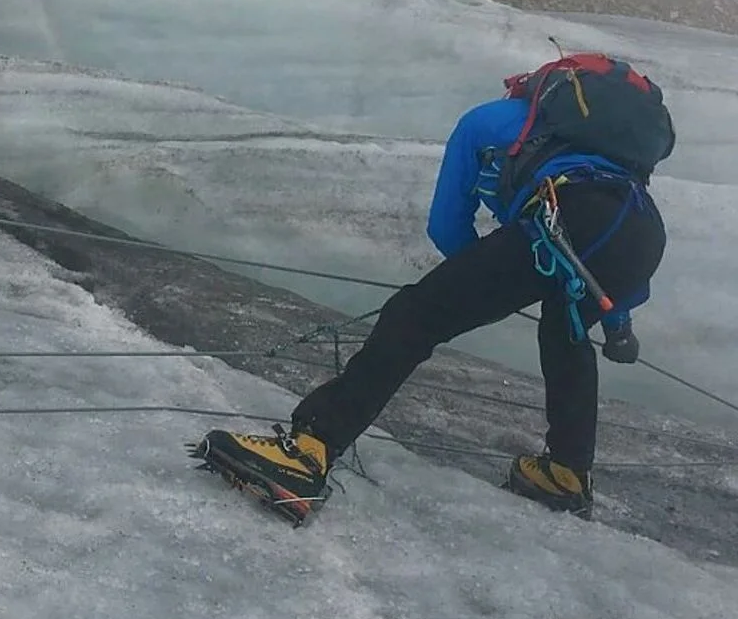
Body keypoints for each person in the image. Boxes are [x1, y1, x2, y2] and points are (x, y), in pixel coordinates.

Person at [193, 62, 670, 523]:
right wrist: (619, 330)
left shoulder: (492, 120)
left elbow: (447, 226)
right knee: (566, 332)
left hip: (566, 213)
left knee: (416, 314)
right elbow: (615, 272)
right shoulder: (620, 163)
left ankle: (309, 450)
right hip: (644, 234)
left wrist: (469, 284)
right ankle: (566, 472)